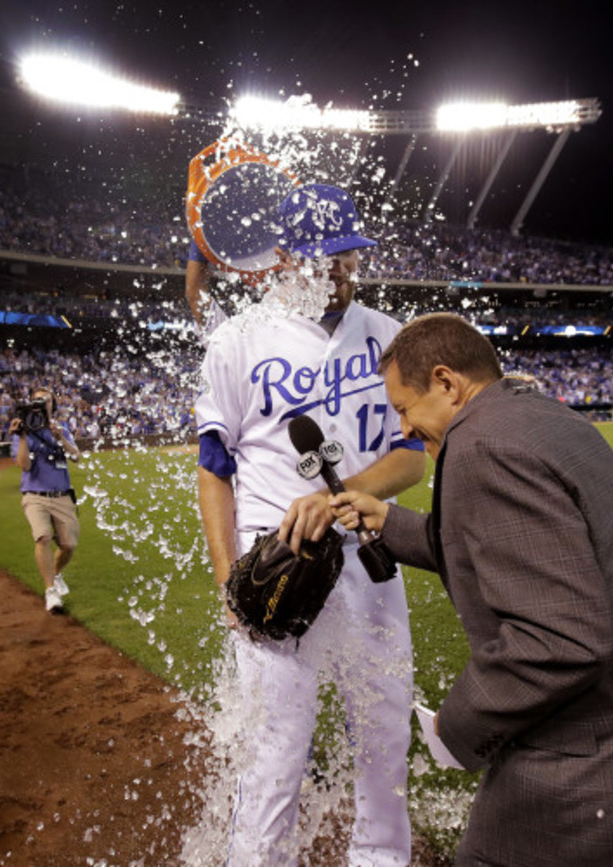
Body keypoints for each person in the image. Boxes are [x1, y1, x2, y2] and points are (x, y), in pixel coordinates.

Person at [330, 312, 613, 867]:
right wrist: (387, 520)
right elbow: (509, 546)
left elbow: (560, 639)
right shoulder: (547, 418)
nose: (404, 429)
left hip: (576, 767)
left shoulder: (480, 446)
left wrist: (455, 728)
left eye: (404, 408)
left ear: (446, 382)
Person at [193, 184, 426, 865]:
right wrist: (227, 580)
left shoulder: (389, 335)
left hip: (369, 557)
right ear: (287, 258)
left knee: (385, 738)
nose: (343, 269)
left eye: (349, 254)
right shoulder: (238, 340)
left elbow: (411, 455)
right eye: (327, 256)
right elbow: (214, 468)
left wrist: (341, 496)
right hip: (278, 563)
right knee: (275, 753)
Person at [9, 386, 81, 614]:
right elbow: (24, 465)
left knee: (68, 545)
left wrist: (60, 438)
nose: (41, 405)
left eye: (46, 401)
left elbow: (76, 457)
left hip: (61, 494)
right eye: (37, 401)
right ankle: (50, 591)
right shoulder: (25, 431)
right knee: (43, 537)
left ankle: (56, 573)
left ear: (53, 405)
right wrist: (21, 436)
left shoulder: (62, 429)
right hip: (35, 495)